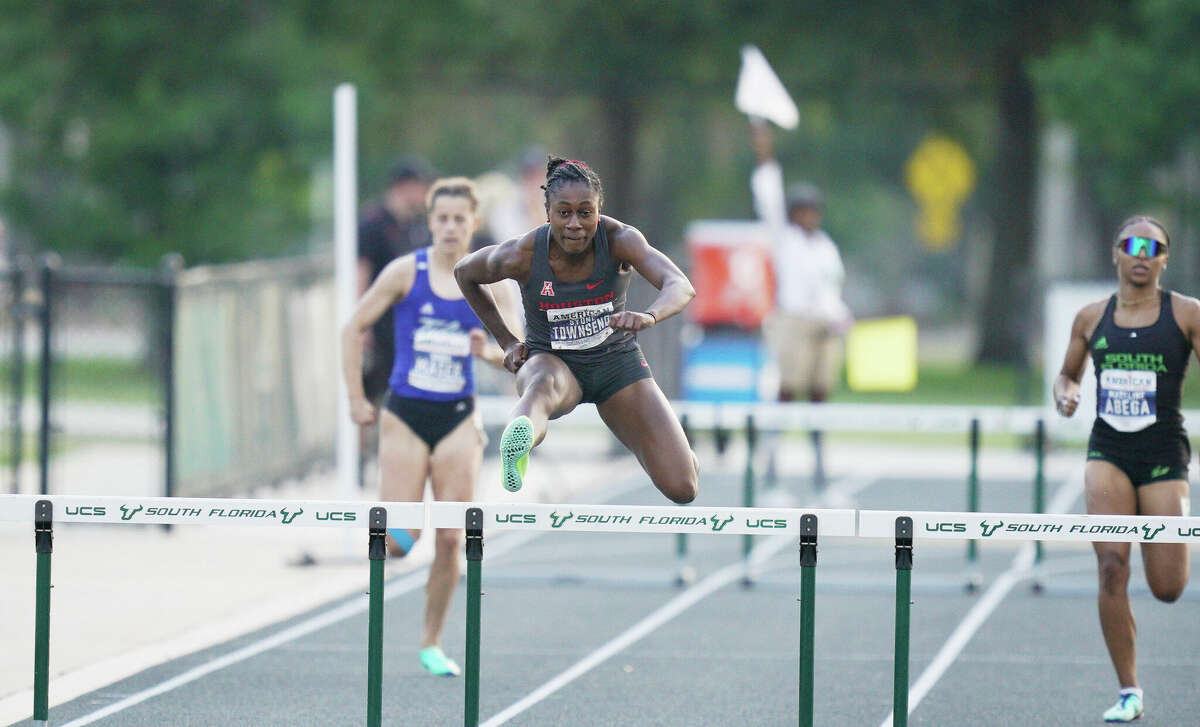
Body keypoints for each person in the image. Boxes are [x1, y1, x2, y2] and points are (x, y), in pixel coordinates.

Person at [341, 177, 515, 677]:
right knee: (401, 538)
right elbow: (352, 328)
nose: (450, 227)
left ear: (472, 224)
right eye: (441, 218)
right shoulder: (404, 272)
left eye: (460, 219)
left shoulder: (487, 282)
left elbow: (522, 356)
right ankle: (384, 562)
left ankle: (431, 642)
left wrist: (492, 353)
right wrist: (355, 398)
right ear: (430, 222)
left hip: (458, 415)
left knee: (450, 538)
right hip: (405, 413)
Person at [453, 156, 699, 503]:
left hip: (617, 366)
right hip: (553, 362)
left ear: (599, 211)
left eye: (586, 212)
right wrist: (508, 341)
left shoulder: (620, 240)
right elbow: (466, 273)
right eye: (564, 212)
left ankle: (681, 456)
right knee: (541, 386)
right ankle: (519, 438)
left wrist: (650, 316)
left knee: (683, 487)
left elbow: (679, 284)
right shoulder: (523, 252)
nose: (575, 224)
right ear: (547, 212)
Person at [1053, 216, 1195, 723]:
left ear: (1163, 259)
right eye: (1131, 245)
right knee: (1112, 566)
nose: (1141, 253)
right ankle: (1128, 690)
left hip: (1163, 456)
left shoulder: (1186, 314)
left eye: (1152, 247)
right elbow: (1068, 376)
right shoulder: (1092, 317)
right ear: (1115, 253)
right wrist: (1066, 395)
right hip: (1108, 452)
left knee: (1168, 587)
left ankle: (1132, 681)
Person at [749, 120, 851, 487]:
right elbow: (768, 195)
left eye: (813, 210)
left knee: (820, 393)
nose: (809, 216)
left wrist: (840, 316)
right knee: (788, 391)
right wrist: (764, 149)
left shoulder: (825, 246)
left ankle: (819, 461)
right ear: (793, 213)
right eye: (803, 210)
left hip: (824, 324)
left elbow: (831, 289)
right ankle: (772, 457)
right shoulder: (784, 238)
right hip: (792, 321)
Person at [356, 157, 434, 467]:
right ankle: (362, 456)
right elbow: (360, 271)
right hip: (380, 320)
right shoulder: (374, 222)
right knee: (372, 389)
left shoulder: (414, 225)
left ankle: (395, 453)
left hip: (407, 323)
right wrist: (363, 323)